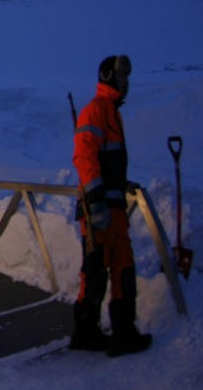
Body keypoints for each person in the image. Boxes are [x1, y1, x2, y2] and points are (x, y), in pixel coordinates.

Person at [69, 54, 152, 356]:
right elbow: (84, 158)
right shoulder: (95, 112)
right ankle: (86, 332)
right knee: (95, 271)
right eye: (121, 77)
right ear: (107, 77)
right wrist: (96, 201)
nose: (126, 82)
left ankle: (124, 333)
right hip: (99, 212)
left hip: (115, 209)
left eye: (127, 77)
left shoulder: (112, 113)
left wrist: (121, 186)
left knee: (123, 270)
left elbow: (107, 161)